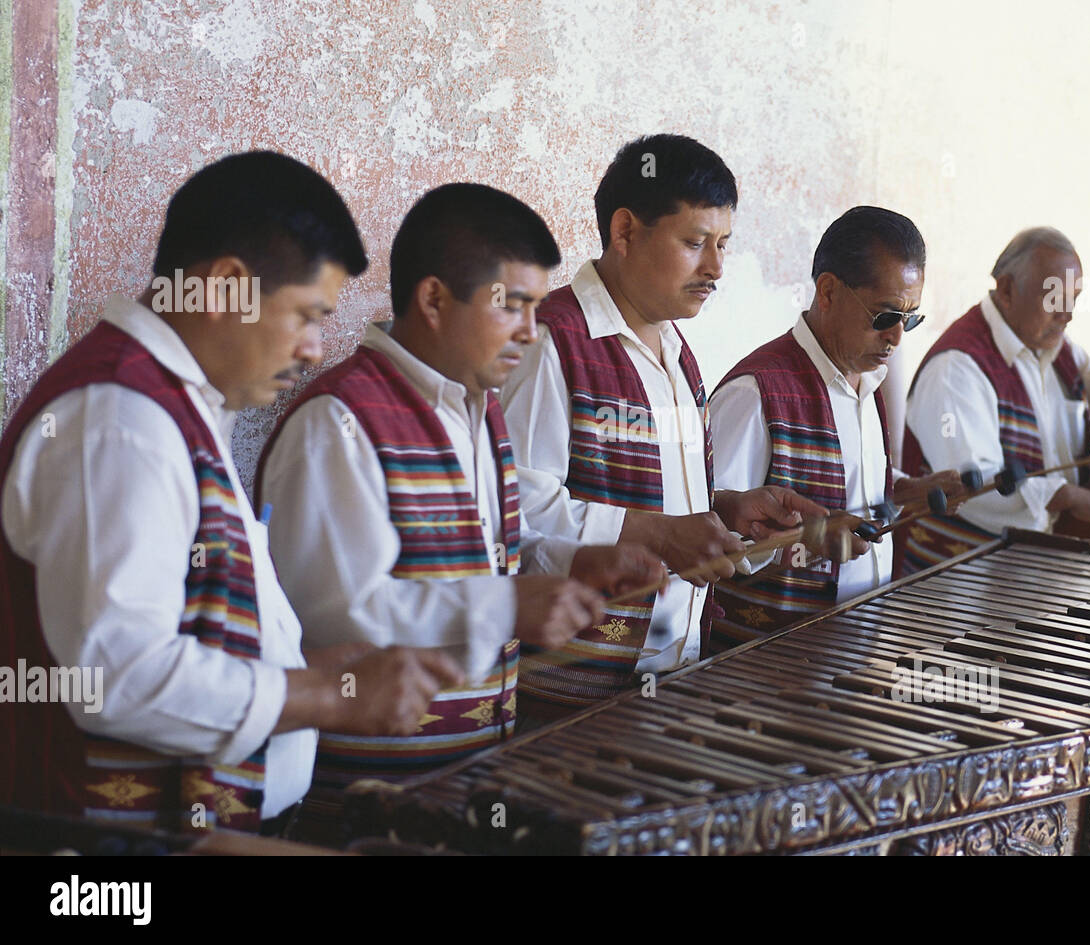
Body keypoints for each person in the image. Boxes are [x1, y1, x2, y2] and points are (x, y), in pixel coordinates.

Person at [0, 151, 463, 837]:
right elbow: (117, 678)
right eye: (306, 314)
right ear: (223, 288)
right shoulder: (121, 419)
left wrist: (301, 664)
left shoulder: (175, 404)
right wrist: (320, 695)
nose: (314, 348)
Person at [257, 183, 664, 788]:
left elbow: (491, 556)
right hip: (367, 787)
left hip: (466, 765)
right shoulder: (339, 422)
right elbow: (337, 617)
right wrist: (508, 606)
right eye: (512, 306)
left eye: (536, 308)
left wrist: (574, 562)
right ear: (434, 299)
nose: (531, 331)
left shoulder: (480, 408)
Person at [500, 134, 828, 722]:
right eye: (695, 242)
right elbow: (517, 515)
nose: (716, 268)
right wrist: (654, 535)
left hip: (674, 675)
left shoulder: (678, 353)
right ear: (624, 231)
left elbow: (672, 507)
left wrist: (726, 512)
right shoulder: (550, 344)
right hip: (571, 693)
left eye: (724, 244)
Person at [709, 207, 963, 650]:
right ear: (827, 292)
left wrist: (906, 491)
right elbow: (710, 537)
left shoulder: (868, 380)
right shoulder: (755, 394)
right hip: (766, 659)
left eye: (911, 318)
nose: (898, 337)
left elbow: (849, 487)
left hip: (854, 642)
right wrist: (804, 539)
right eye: (885, 317)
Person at [900, 226, 1090, 573]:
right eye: (1054, 300)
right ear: (1006, 290)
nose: (1068, 315)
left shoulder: (1058, 350)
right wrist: (1067, 496)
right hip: (959, 587)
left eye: (1074, 300)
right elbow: (970, 487)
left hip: (1029, 576)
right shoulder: (956, 367)